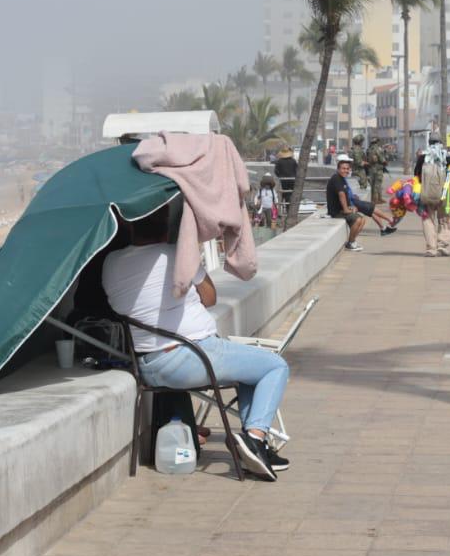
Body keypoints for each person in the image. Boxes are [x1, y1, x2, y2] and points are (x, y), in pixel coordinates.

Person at [102, 206, 290, 482]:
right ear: (167, 226)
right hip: (193, 357)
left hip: (148, 366)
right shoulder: (177, 255)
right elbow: (211, 296)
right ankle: (255, 438)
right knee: (275, 366)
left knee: (251, 371)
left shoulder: (111, 263)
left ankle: (254, 446)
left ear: (131, 228)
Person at [415, 136, 450, 258]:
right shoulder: (447, 157)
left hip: (427, 195)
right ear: (441, 143)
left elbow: (416, 174)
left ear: (429, 143)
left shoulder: (423, 158)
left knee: (428, 220)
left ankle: (431, 248)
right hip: (444, 196)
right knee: (445, 220)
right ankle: (442, 245)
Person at [326, 157, 366, 251]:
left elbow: (345, 195)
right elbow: (341, 194)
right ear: (338, 169)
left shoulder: (342, 178)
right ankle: (350, 243)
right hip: (336, 211)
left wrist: (351, 207)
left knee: (363, 220)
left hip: (342, 209)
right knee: (358, 220)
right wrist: (346, 209)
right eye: (343, 168)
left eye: (347, 169)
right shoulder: (336, 178)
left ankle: (352, 241)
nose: (346, 171)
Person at [364, 135, 388, 205]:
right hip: (378, 169)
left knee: (373, 184)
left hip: (371, 169)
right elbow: (382, 159)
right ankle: (376, 199)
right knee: (377, 184)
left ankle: (375, 198)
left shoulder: (369, 149)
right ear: (377, 142)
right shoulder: (378, 149)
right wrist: (385, 163)